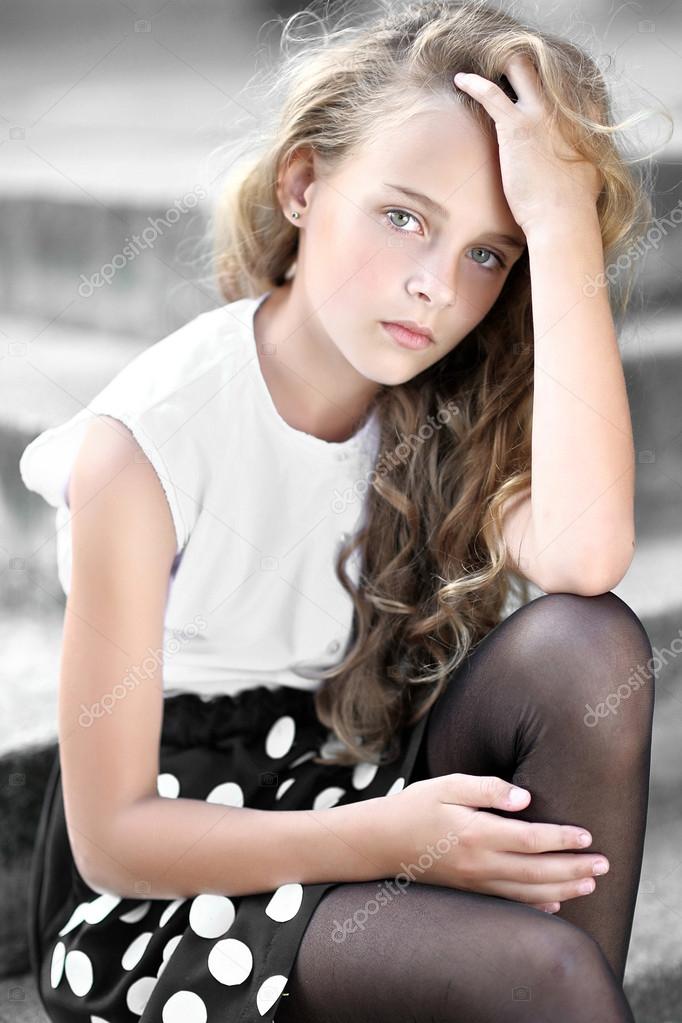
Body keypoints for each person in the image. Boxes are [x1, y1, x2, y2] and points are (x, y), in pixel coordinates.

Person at [19, 1, 659, 1020]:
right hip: (176, 888)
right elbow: (113, 840)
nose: (432, 289)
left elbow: (584, 559)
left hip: (367, 784)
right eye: (403, 216)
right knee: (546, 979)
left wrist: (562, 222)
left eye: (487, 254)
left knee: (589, 646)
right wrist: (386, 839)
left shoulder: (445, 406)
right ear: (305, 183)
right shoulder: (147, 446)